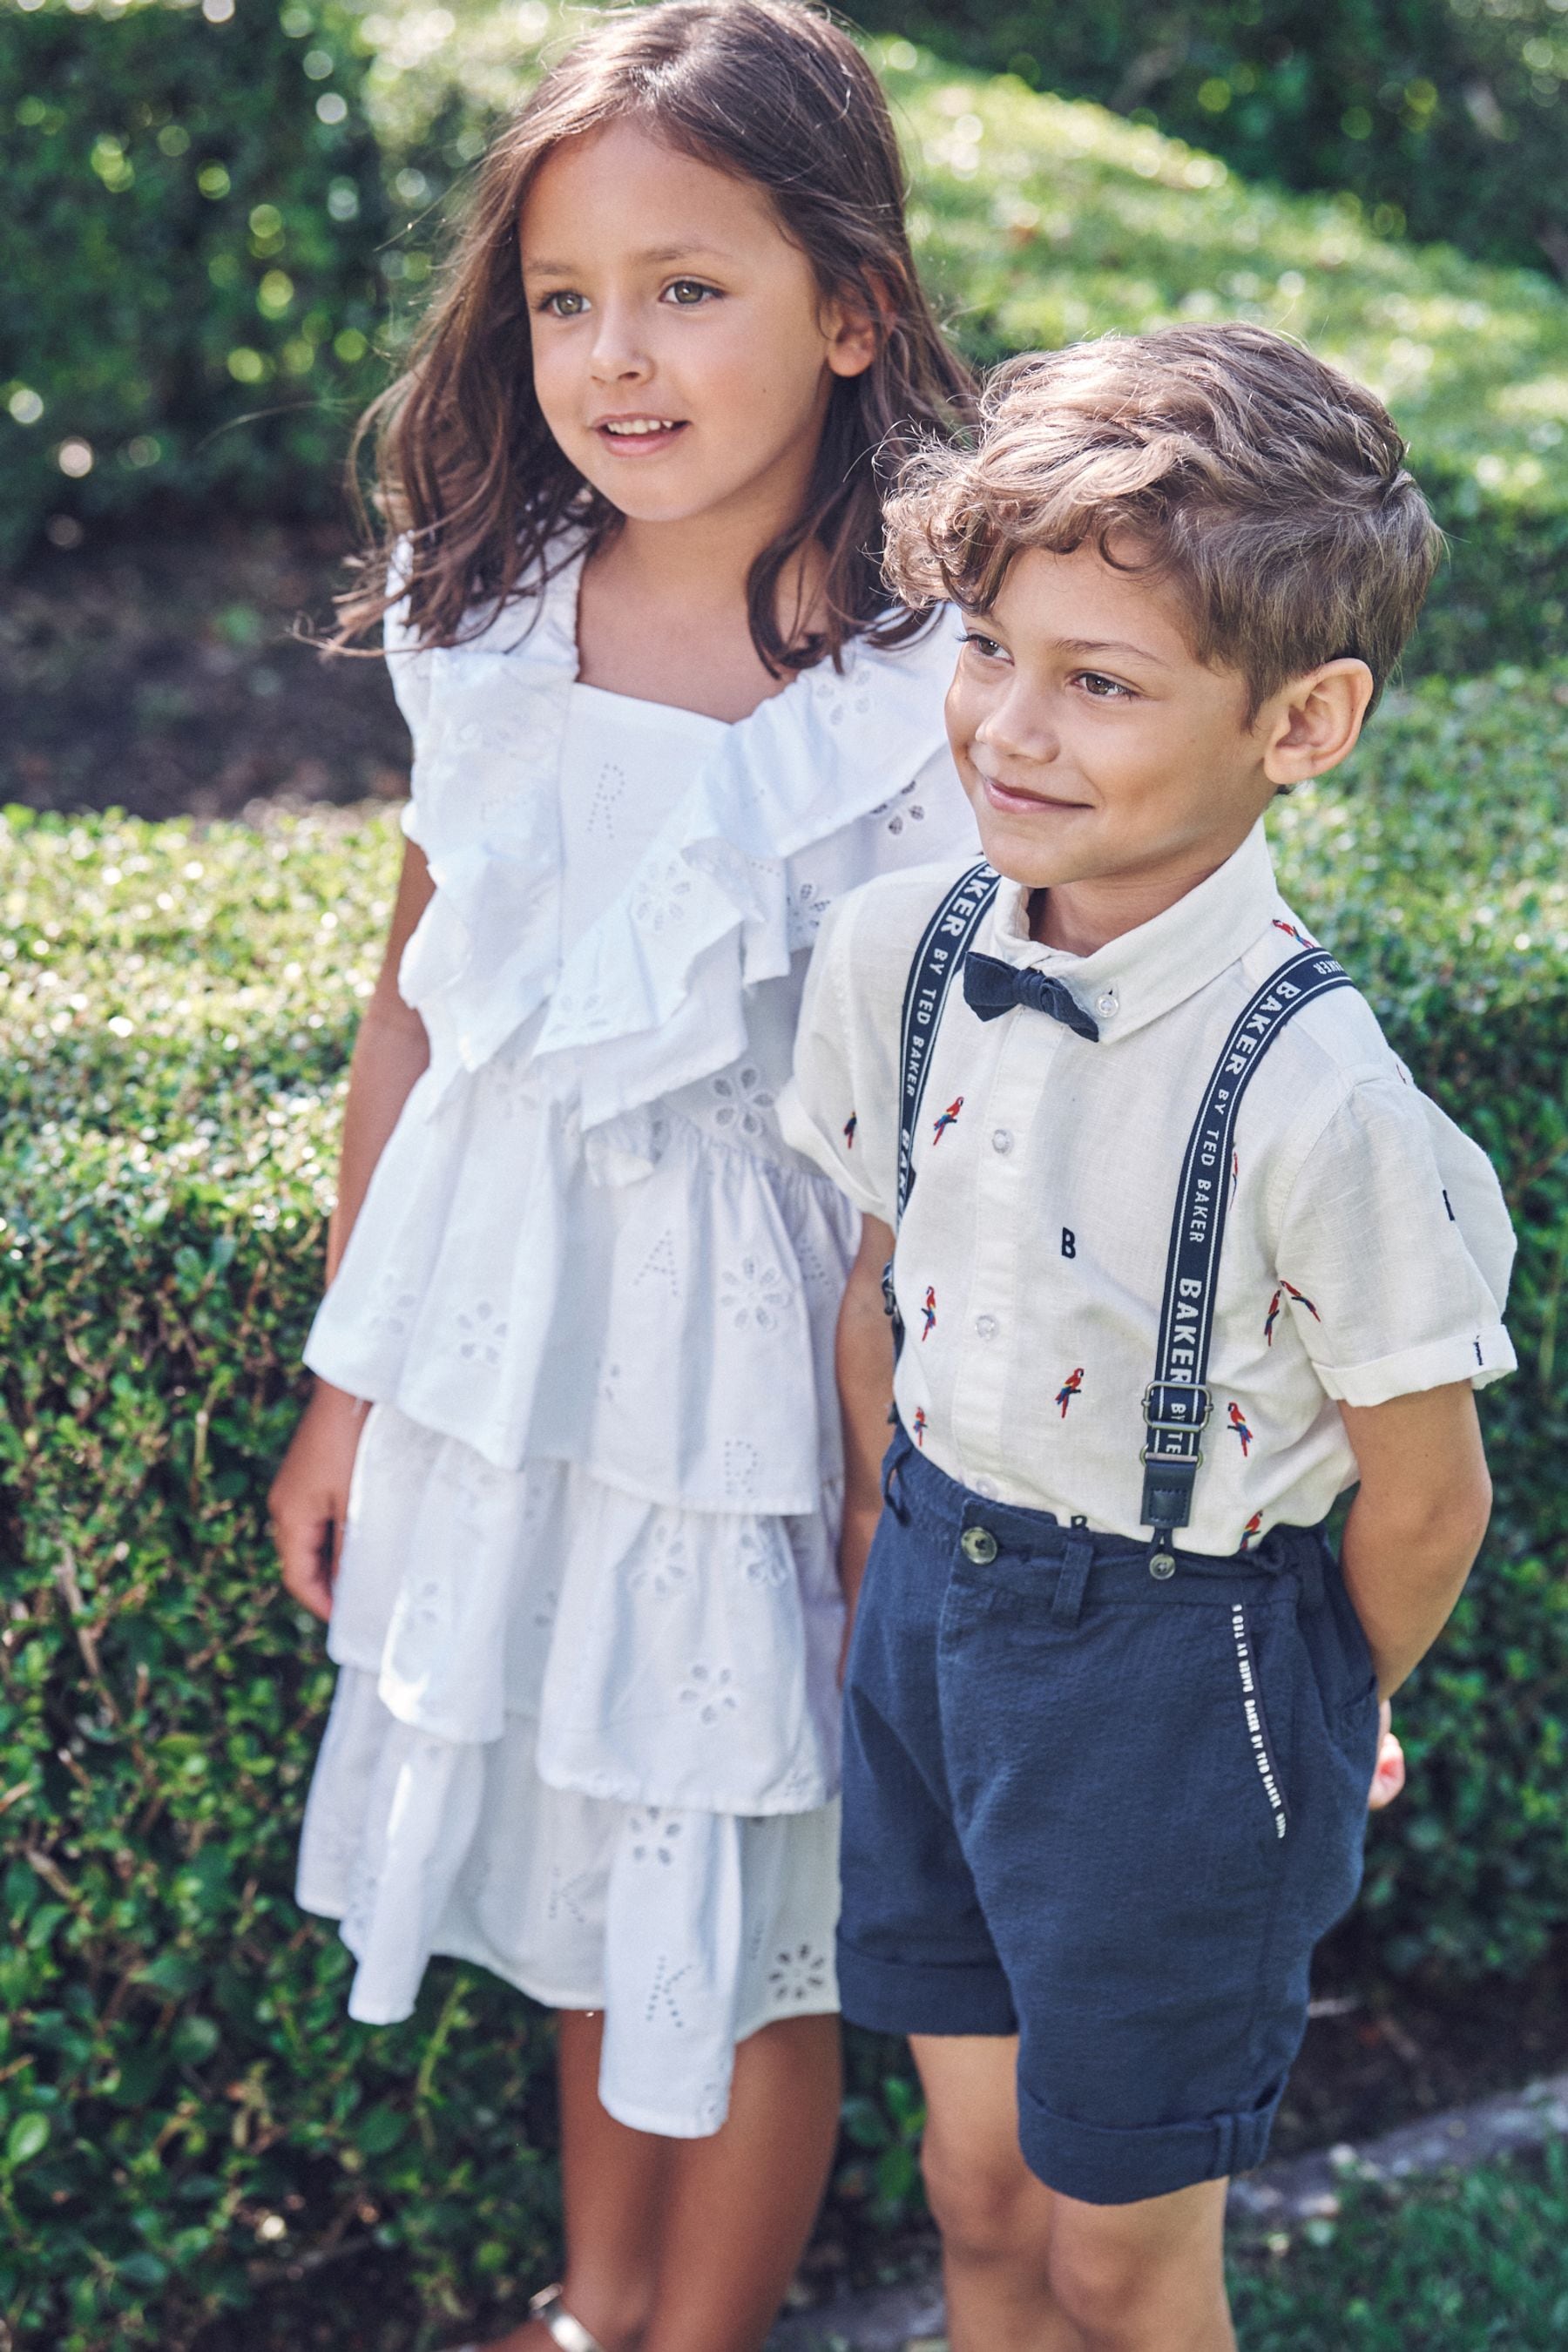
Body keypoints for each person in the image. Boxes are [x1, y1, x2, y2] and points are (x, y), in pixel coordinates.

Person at [265, 7, 977, 2348]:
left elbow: (932, 1120)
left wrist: (887, 1467)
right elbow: (417, 1008)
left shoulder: (921, 683)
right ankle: (598, 2305)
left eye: (691, 288)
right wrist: (349, 1385)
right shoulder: (483, 603)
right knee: (594, 1848)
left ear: (851, 308)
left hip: (758, 1396)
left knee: (742, 1894)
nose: (616, 358)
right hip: (521, 1358)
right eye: (567, 299)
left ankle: (704, 2333)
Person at [781, 323, 1514, 2352]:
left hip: (1178, 1679)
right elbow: (883, 1284)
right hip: (932, 1605)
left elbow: (1428, 1496)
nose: (1012, 725)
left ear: (1304, 722)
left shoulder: (1325, 1104)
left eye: (1101, 683)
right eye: (993, 647)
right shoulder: (897, 955)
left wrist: (1304, 1694)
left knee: (1123, 2254)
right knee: (977, 2190)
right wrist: (881, 1565)